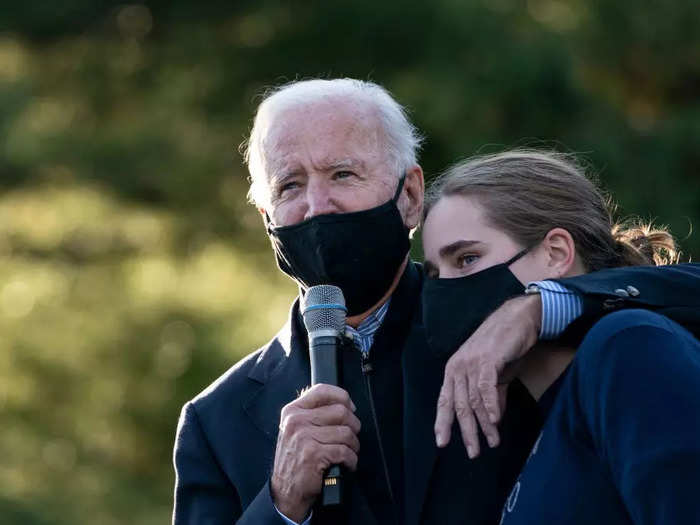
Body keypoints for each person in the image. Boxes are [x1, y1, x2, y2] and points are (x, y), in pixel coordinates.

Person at [172, 79, 700, 525]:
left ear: (409, 196)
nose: (317, 206)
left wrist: (540, 306)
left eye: (342, 174)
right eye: (289, 185)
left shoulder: (491, 313)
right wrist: (282, 505)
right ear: (266, 219)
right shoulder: (213, 423)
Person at [420, 149, 700, 524]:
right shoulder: (526, 428)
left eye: (467, 259)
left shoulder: (627, 345)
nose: (445, 293)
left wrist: (537, 306)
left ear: (556, 253)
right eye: (435, 276)